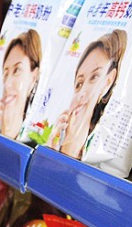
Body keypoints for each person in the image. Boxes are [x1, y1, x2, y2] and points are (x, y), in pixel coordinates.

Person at [53, 29, 126, 158]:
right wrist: (55, 148)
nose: (82, 93)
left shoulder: (101, 149)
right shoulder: (57, 137)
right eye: (79, 84)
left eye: (94, 77)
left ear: (108, 81)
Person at [0, 29, 41, 138]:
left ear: (34, 77)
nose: (7, 84)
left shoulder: (33, 139)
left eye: (17, 70)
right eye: (6, 72)